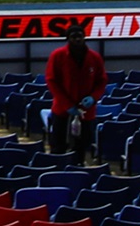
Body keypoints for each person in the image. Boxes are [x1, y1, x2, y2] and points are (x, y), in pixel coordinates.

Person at [45, 26, 107, 159]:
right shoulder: (58, 56)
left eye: (80, 36)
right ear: (68, 39)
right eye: (74, 37)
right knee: (58, 146)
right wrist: (66, 104)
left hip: (86, 112)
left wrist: (93, 97)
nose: (77, 39)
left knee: (82, 147)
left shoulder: (94, 57)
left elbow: (101, 81)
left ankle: (79, 165)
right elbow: (51, 81)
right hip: (62, 110)